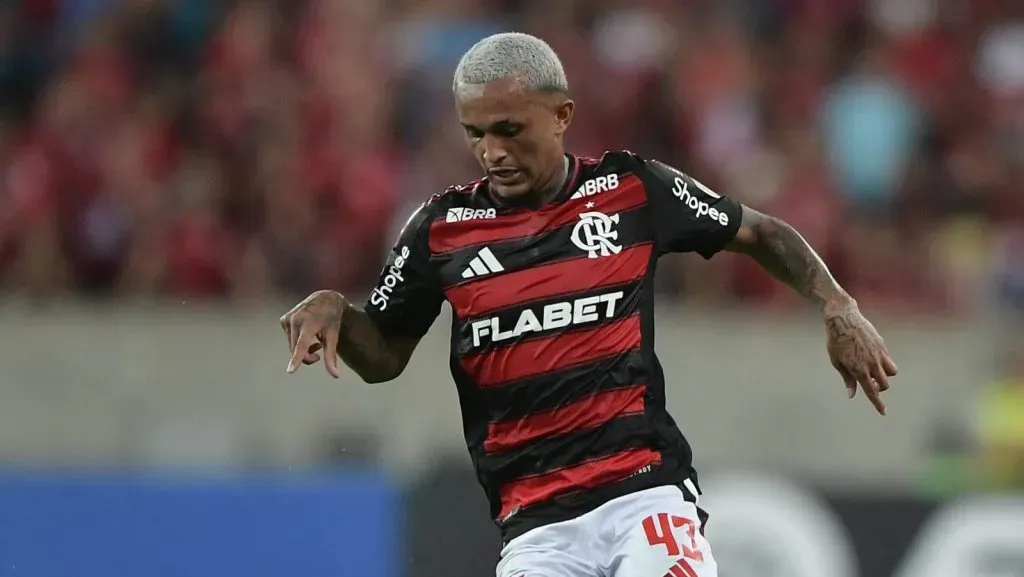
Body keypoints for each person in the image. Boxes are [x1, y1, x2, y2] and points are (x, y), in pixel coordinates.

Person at [279, 32, 898, 577]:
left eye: (509, 130)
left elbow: (760, 232)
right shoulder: (439, 230)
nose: (492, 152)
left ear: (561, 115)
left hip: (643, 495)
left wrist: (837, 305)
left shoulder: (631, 189)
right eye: (475, 134)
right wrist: (338, 311)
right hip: (535, 526)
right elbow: (383, 356)